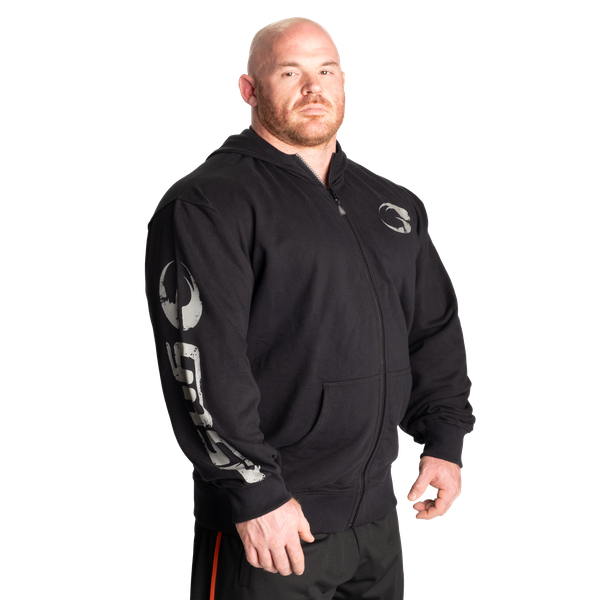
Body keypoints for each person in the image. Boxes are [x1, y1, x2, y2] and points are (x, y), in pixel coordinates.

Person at [143, 15, 475, 600]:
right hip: (272, 524)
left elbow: (432, 331)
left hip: (375, 521)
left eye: (326, 71)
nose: (313, 88)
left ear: (345, 85)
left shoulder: (392, 205)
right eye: (290, 72)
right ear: (249, 90)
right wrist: (254, 493)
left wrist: (443, 444)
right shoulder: (209, 204)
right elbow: (199, 361)